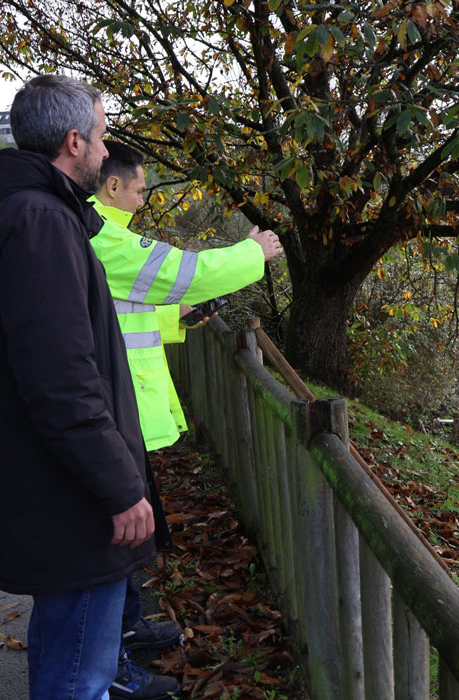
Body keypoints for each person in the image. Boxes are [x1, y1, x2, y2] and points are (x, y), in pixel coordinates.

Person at [0, 75, 159, 700]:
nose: (105, 150)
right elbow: (61, 379)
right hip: (70, 494)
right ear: (74, 141)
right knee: (79, 679)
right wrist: (122, 488)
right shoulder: (40, 221)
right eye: (99, 136)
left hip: (54, 485)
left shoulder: (31, 214)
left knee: (63, 649)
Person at [88, 141, 284, 698]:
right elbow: (184, 271)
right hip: (118, 407)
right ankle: (113, 661)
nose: (145, 198)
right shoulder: (104, 235)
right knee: (117, 539)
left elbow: (129, 308)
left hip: (123, 404)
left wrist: (179, 317)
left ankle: (126, 630)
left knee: (126, 538)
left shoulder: (98, 232)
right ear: (113, 186)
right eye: (141, 188)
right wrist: (252, 252)